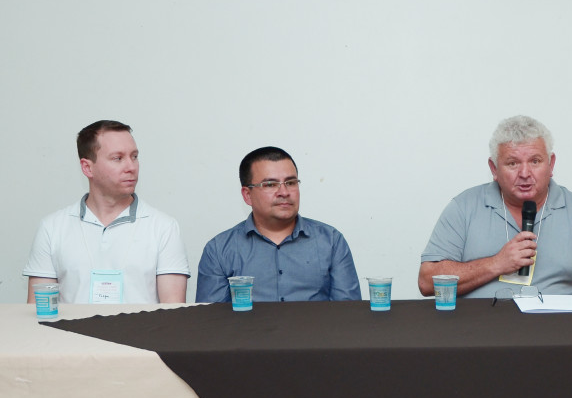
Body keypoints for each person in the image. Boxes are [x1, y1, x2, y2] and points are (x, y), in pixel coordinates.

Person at [419, 115, 572, 298]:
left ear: (551, 164)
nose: (525, 173)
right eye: (512, 163)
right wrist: (496, 264)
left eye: (535, 161)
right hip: (481, 332)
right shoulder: (463, 208)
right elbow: (427, 282)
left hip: (558, 333)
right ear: (494, 168)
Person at [24, 120, 189, 304]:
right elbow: (39, 312)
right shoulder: (52, 228)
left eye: (134, 156)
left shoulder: (164, 228)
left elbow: (173, 315)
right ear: (87, 167)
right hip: (68, 333)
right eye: (117, 158)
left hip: (141, 333)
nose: (131, 167)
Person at [196, 146, 360, 302]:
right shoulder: (219, 250)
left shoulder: (330, 241)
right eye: (270, 184)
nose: (284, 192)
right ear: (247, 195)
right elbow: (211, 321)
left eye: (290, 182)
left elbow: (348, 314)